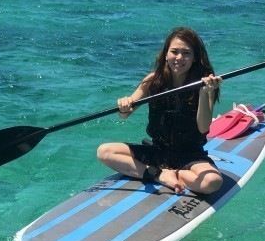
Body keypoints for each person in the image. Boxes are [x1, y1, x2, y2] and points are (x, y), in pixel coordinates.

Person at [96, 27, 223, 195]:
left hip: (189, 155)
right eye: (174, 52)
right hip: (158, 152)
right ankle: (158, 174)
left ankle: (174, 173)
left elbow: (203, 127)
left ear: (194, 58)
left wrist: (204, 93)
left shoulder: (205, 85)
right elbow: (124, 113)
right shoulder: (152, 81)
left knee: (212, 182)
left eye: (186, 53)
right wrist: (125, 103)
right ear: (165, 54)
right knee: (104, 151)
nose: (179, 58)